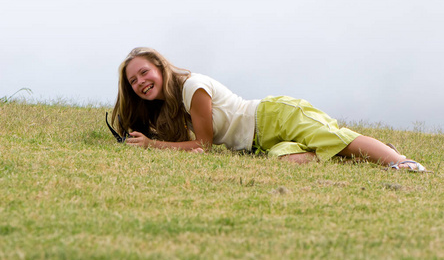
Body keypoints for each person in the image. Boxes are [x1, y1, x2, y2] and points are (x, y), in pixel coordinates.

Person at [111, 47, 427, 172]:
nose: (140, 82)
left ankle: (401, 162)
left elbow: (203, 146)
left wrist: (153, 146)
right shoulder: (172, 105)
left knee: (335, 138)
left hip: (275, 116)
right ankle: (367, 153)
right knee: (287, 161)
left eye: (144, 73)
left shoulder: (193, 88)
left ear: (160, 67)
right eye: (133, 80)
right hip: (261, 142)